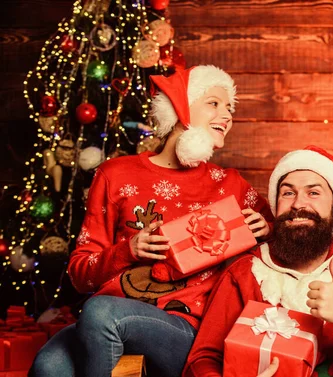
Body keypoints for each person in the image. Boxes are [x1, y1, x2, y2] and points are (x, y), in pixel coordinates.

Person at [29, 65, 274, 377]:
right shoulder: (115, 175)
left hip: (186, 328)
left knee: (101, 312)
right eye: (214, 103)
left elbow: (288, 243)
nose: (227, 116)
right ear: (180, 107)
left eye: (229, 108)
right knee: (48, 367)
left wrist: (268, 229)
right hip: (105, 319)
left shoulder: (231, 185)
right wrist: (127, 250)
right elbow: (80, 275)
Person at [184, 146, 333, 377]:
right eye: (288, 193)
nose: (298, 204)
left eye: (313, 193)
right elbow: (203, 359)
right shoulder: (244, 272)